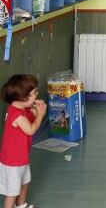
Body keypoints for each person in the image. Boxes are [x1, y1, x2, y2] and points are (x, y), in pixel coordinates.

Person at [0, 74, 47, 208]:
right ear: (23, 97)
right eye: (34, 93)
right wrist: (40, 115)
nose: (37, 95)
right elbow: (31, 129)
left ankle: (21, 205)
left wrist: (36, 112)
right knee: (12, 192)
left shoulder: (21, 108)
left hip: (21, 157)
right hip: (12, 161)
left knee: (25, 182)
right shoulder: (16, 114)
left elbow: (33, 119)